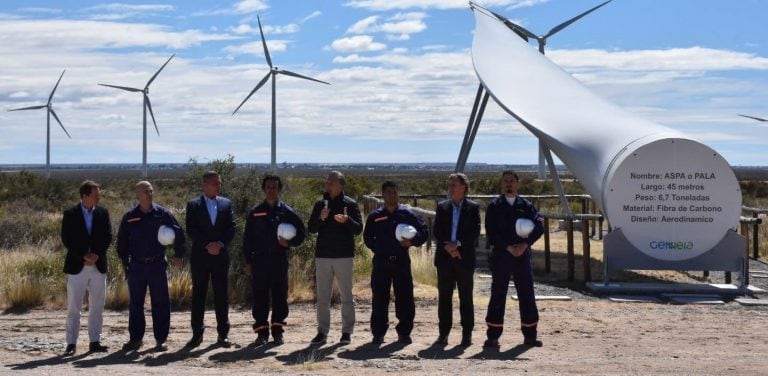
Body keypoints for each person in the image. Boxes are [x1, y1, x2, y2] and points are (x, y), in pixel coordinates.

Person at [116, 180, 185, 352]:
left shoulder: (162, 214)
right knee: (136, 304)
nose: (149, 194)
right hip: (137, 266)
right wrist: (126, 264)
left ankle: (160, 340)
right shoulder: (130, 217)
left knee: (160, 303)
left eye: (151, 191)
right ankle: (136, 339)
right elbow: (121, 244)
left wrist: (178, 253)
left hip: (157, 264)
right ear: (137, 194)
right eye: (145, 191)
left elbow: (178, 232)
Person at [483, 170, 545, 349]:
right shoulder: (495, 206)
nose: (509, 184)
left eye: (512, 181)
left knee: (526, 293)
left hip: (522, 255)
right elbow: (491, 231)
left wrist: (525, 244)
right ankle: (493, 336)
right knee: (498, 294)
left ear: (517, 183)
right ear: (502, 184)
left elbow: (539, 225)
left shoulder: (526, 205)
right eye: (505, 181)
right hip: (502, 255)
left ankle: (530, 335)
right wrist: (508, 247)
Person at [243, 174, 306, 346]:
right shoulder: (255, 212)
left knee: (280, 297)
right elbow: (247, 239)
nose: (271, 190)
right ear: (264, 189)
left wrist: (289, 242)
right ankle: (261, 333)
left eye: (275, 187)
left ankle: (277, 331)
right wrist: (248, 262)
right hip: (259, 262)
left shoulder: (286, 211)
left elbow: (302, 234)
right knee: (260, 298)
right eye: (269, 187)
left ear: (279, 189)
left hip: (279, 260)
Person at [363, 180, 428, 345]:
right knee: (380, 298)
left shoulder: (407, 214)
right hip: (381, 263)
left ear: (398, 193)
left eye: (395, 191)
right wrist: (379, 248)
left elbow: (424, 231)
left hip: (401, 262)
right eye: (388, 192)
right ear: (383, 194)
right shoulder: (375, 216)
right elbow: (368, 238)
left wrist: (413, 242)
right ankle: (378, 334)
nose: (392, 194)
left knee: (405, 298)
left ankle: (404, 333)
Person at [307, 171, 363, 346]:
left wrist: (347, 221)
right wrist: (321, 218)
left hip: (344, 256)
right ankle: (322, 332)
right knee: (323, 297)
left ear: (340, 185)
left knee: (347, 296)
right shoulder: (320, 204)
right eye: (326, 182)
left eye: (331, 182)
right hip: (323, 256)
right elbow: (311, 228)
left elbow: (358, 229)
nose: (327, 185)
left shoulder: (350, 204)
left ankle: (347, 332)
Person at [60, 180, 113, 356]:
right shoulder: (70, 214)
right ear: (85, 195)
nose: (99, 197)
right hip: (77, 265)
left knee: (97, 305)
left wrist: (97, 254)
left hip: (98, 265)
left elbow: (108, 236)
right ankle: (71, 343)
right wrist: (83, 254)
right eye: (95, 194)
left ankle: (94, 341)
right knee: (74, 307)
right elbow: (67, 239)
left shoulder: (103, 213)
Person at [185, 171, 236, 349]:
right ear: (205, 185)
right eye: (216, 183)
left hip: (220, 257)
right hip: (201, 257)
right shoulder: (193, 205)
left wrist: (220, 244)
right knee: (199, 295)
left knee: (221, 296)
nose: (219, 186)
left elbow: (231, 227)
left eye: (220, 183)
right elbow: (191, 230)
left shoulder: (226, 203)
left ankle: (223, 335)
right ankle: (197, 335)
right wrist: (208, 244)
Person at [432, 173, 481, 347]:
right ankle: (443, 334)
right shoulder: (442, 207)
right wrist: (448, 247)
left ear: (464, 187)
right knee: (444, 297)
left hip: (464, 258)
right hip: (445, 259)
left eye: (454, 184)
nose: (451, 187)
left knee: (465, 297)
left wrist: (457, 245)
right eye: (449, 184)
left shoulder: (473, 208)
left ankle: (466, 335)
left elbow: (474, 233)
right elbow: (437, 231)